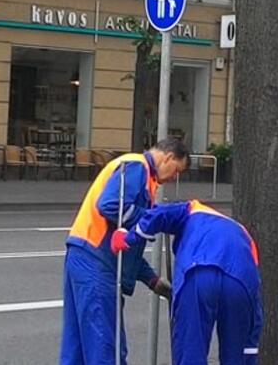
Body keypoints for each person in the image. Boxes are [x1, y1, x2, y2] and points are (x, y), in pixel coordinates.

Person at [60, 139, 190, 365]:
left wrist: (152, 280)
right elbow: (110, 205)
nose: (172, 178)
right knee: (105, 346)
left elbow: (125, 244)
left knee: (77, 347)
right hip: (97, 263)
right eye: (176, 170)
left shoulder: (137, 172)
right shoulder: (137, 166)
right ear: (168, 157)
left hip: (83, 255)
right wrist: (153, 219)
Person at [111, 200, 262, 365]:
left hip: (198, 269)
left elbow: (160, 213)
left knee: (190, 350)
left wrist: (128, 237)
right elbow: (253, 309)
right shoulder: (243, 234)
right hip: (241, 279)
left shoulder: (192, 209)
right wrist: (248, 355)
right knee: (236, 355)